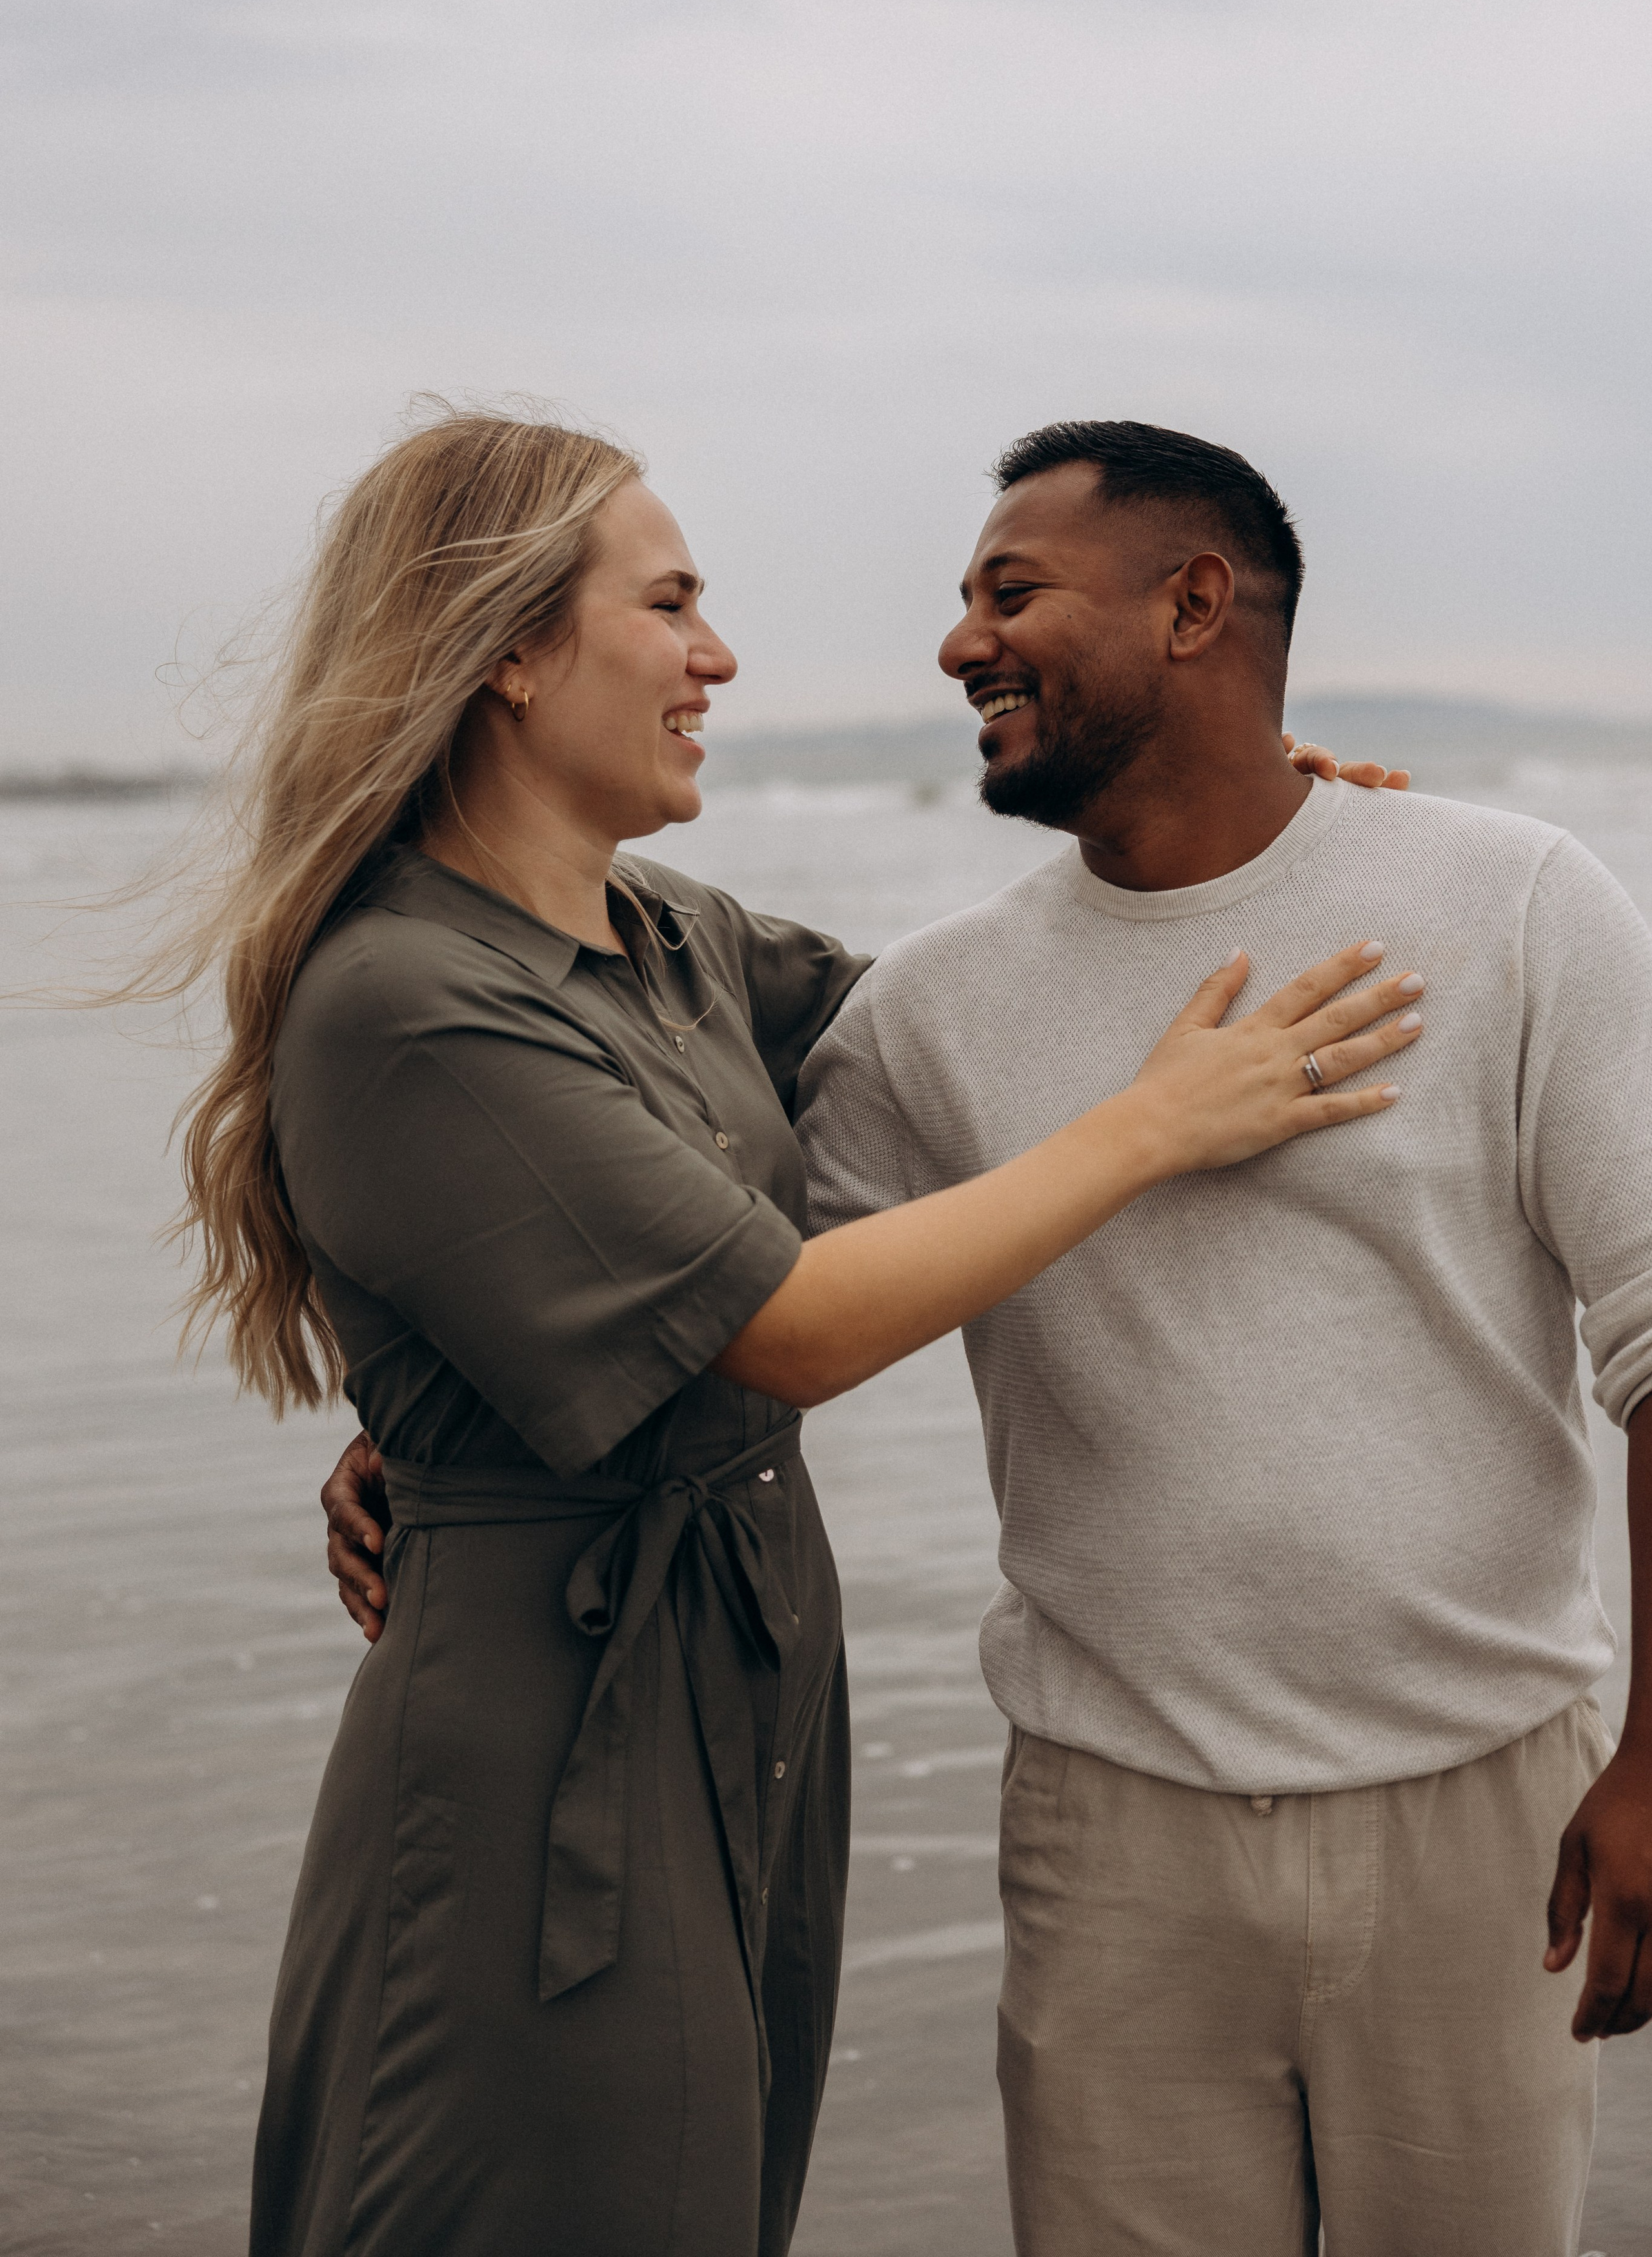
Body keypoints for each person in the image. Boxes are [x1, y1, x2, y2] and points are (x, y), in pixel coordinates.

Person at [176, 406, 1416, 2257]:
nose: (719, 657)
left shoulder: (669, 939)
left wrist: (1242, 814)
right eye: (669, 605)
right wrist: (1161, 1123)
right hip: (548, 1731)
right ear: (510, 650)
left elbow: (975, 1023)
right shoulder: (402, 999)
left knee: (712, 2200)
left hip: (752, 1674)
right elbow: (792, 1325)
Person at [787, 421, 1652, 2256]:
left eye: (1009, 592)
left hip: (1489, 1808)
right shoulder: (927, 1013)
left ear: (1195, 603)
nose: (958, 645)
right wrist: (439, 1421)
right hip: (1114, 1835)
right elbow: (722, 1315)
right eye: (962, 601)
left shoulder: (1513, 902)